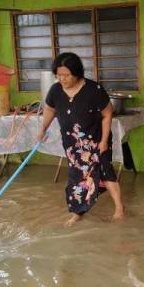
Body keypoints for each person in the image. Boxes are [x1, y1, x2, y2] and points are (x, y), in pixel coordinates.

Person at [36, 52, 125, 226]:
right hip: (72, 144)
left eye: (66, 75)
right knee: (77, 176)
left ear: (77, 73)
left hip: (96, 140)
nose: (62, 78)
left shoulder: (94, 89)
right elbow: (49, 110)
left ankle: (119, 208)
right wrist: (42, 130)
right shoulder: (55, 90)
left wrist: (104, 141)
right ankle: (78, 211)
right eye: (59, 75)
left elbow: (107, 114)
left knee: (106, 172)